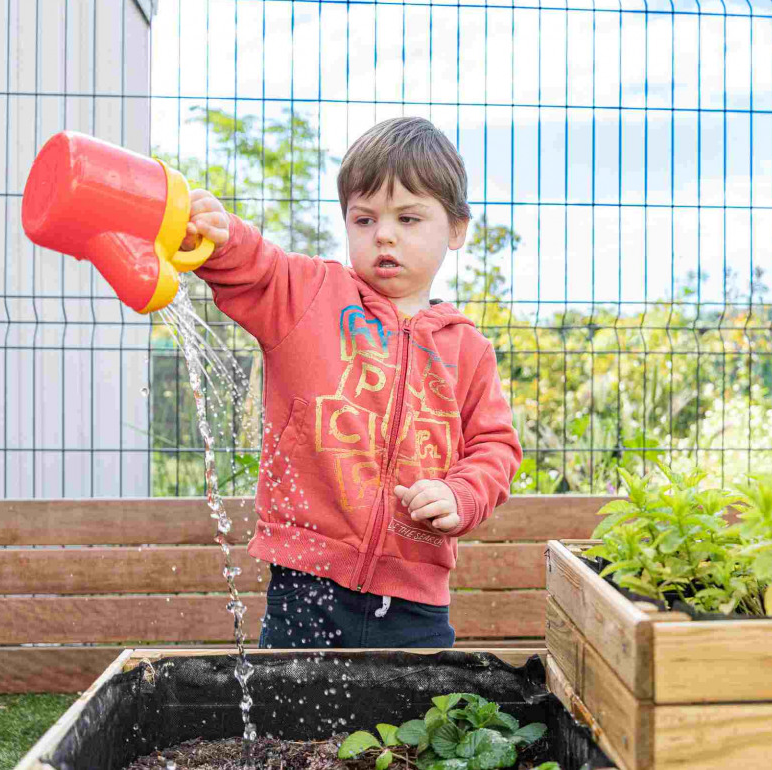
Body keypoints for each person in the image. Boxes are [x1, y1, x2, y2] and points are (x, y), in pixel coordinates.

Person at [182, 117, 522, 649]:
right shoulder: (311, 297)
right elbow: (259, 268)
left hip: (416, 596)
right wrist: (221, 237)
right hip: (305, 582)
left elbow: (494, 446)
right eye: (364, 219)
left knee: (412, 729)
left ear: (456, 230)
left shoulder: (469, 352)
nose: (383, 234)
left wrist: (461, 492)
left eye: (408, 218)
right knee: (293, 728)